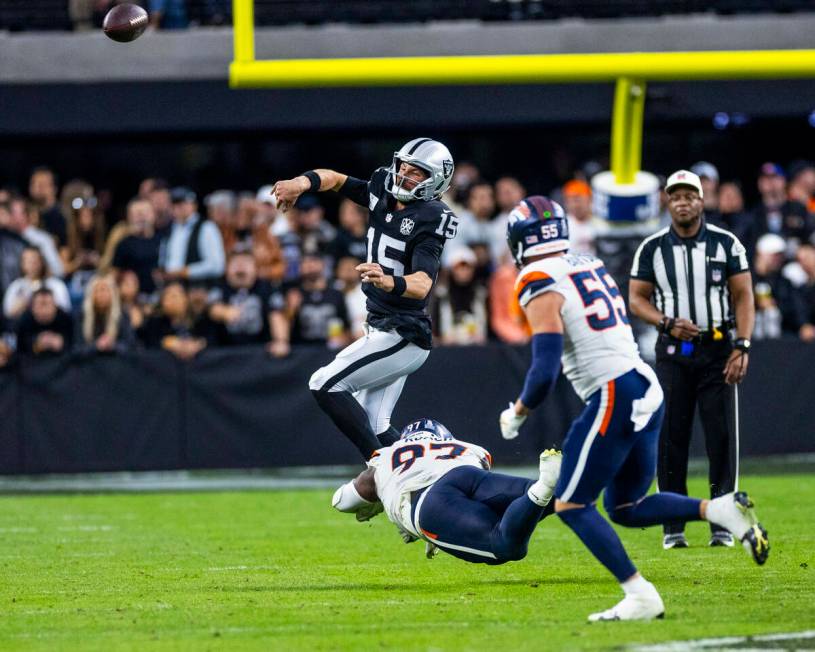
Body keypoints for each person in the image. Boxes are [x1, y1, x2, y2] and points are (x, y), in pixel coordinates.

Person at [499, 195, 767, 622]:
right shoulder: (587, 263)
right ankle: (718, 509)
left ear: (520, 240)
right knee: (624, 507)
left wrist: (518, 411)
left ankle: (640, 594)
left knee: (571, 503)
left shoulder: (536, 276)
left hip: (614, 392)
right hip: (644, 384)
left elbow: (545, 369)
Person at [273, 138, 457, 459]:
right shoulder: (383, 188)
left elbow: (421, 284)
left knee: (325, 383)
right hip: (381, 326)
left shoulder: (431, 217)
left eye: (415, 173)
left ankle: (377, 473)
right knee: (378, 425)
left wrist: (389, 280)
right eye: (402, 167)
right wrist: (300, 183)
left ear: (436, 180)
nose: (402, 176)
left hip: (403, 332)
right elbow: (335, 179)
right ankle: (429, 479)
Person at [629, 170, 757, 549]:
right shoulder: (652, 247)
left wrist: (743, 345)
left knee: (721, 438)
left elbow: (744, 295)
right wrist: (666, 322)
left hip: (718, 348)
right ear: (667, 203)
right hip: (673, 352)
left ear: (702, 201)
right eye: (676, 196)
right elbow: (636, 298)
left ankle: (724, 522)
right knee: (671, 438)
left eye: (690, 196)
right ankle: (674, 526)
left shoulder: (725, 243)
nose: (683, 202)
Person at [332, 418, 562, 565]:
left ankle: (543, 487)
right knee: (559, 498)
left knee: (505, 545)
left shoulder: (384, 457)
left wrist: (382, 497)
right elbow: (490, 503)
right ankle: (550, 483)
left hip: (428, 500)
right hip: (466, 473)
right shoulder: (469, 447)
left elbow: (342, 501)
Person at [159, 187, 225, 286]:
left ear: (194, 205)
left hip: (200, 288)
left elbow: (217, 266)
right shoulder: (169, 229)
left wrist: (186, 271)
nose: (180, 208)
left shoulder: (206, 227)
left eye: (184, 203)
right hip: (172, 287)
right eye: (175, 204)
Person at [287, 253, 350, 349]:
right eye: (305, 262)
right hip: (301, 351)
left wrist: (343, 338)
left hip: (330, 350)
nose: (310, 265)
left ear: (323, 264)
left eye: (314, 261)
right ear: (300, 268)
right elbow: (285, 332)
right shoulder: (294, 294)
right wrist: (291, 309)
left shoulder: (336, 294)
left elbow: (347, 327)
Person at [3, 247, 71, 321]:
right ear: (22, 264)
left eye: (35, 260)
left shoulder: (56, 285)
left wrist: (46, 304)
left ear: (42, 262)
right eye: (28, 261)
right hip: (24, 328)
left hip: (52, 327)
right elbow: (7, 313)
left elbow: (66, 309)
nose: (32, 264)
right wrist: (25, 301)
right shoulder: (16, 286)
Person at [111, 198, 162, 296]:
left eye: (145, 213)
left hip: (161, 294)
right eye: (137, 214)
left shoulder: (165, 239)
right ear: (129, 217)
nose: (141, 218)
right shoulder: (123, 244)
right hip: (132, 297)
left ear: (153, 215)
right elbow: (114, 274)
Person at [77, 274, 134, 353]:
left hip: (116, 361)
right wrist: (96, 346)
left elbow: (130, 346)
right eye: (98, 291)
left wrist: (113, 345)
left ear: (113, 294)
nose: (101, 295)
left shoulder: (122, 315)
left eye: (105, 290)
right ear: (91, 295)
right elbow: (77, 348)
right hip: (89, 362)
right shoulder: (81, 315)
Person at [15, 288, 74, 356]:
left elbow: (74, 346)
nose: (44, 310)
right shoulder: (24, 321)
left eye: (47, 304)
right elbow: (20, 350)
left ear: (55, 306)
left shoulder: (66, 319)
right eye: (40, 304)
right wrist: (35, 345)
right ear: (32, 307)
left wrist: (62, 344)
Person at [28, 166, 67, 247]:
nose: (38, 188)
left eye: (43, 184)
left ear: (54, 188)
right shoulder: (25, 214)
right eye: (34, 183)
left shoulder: (64, 215)